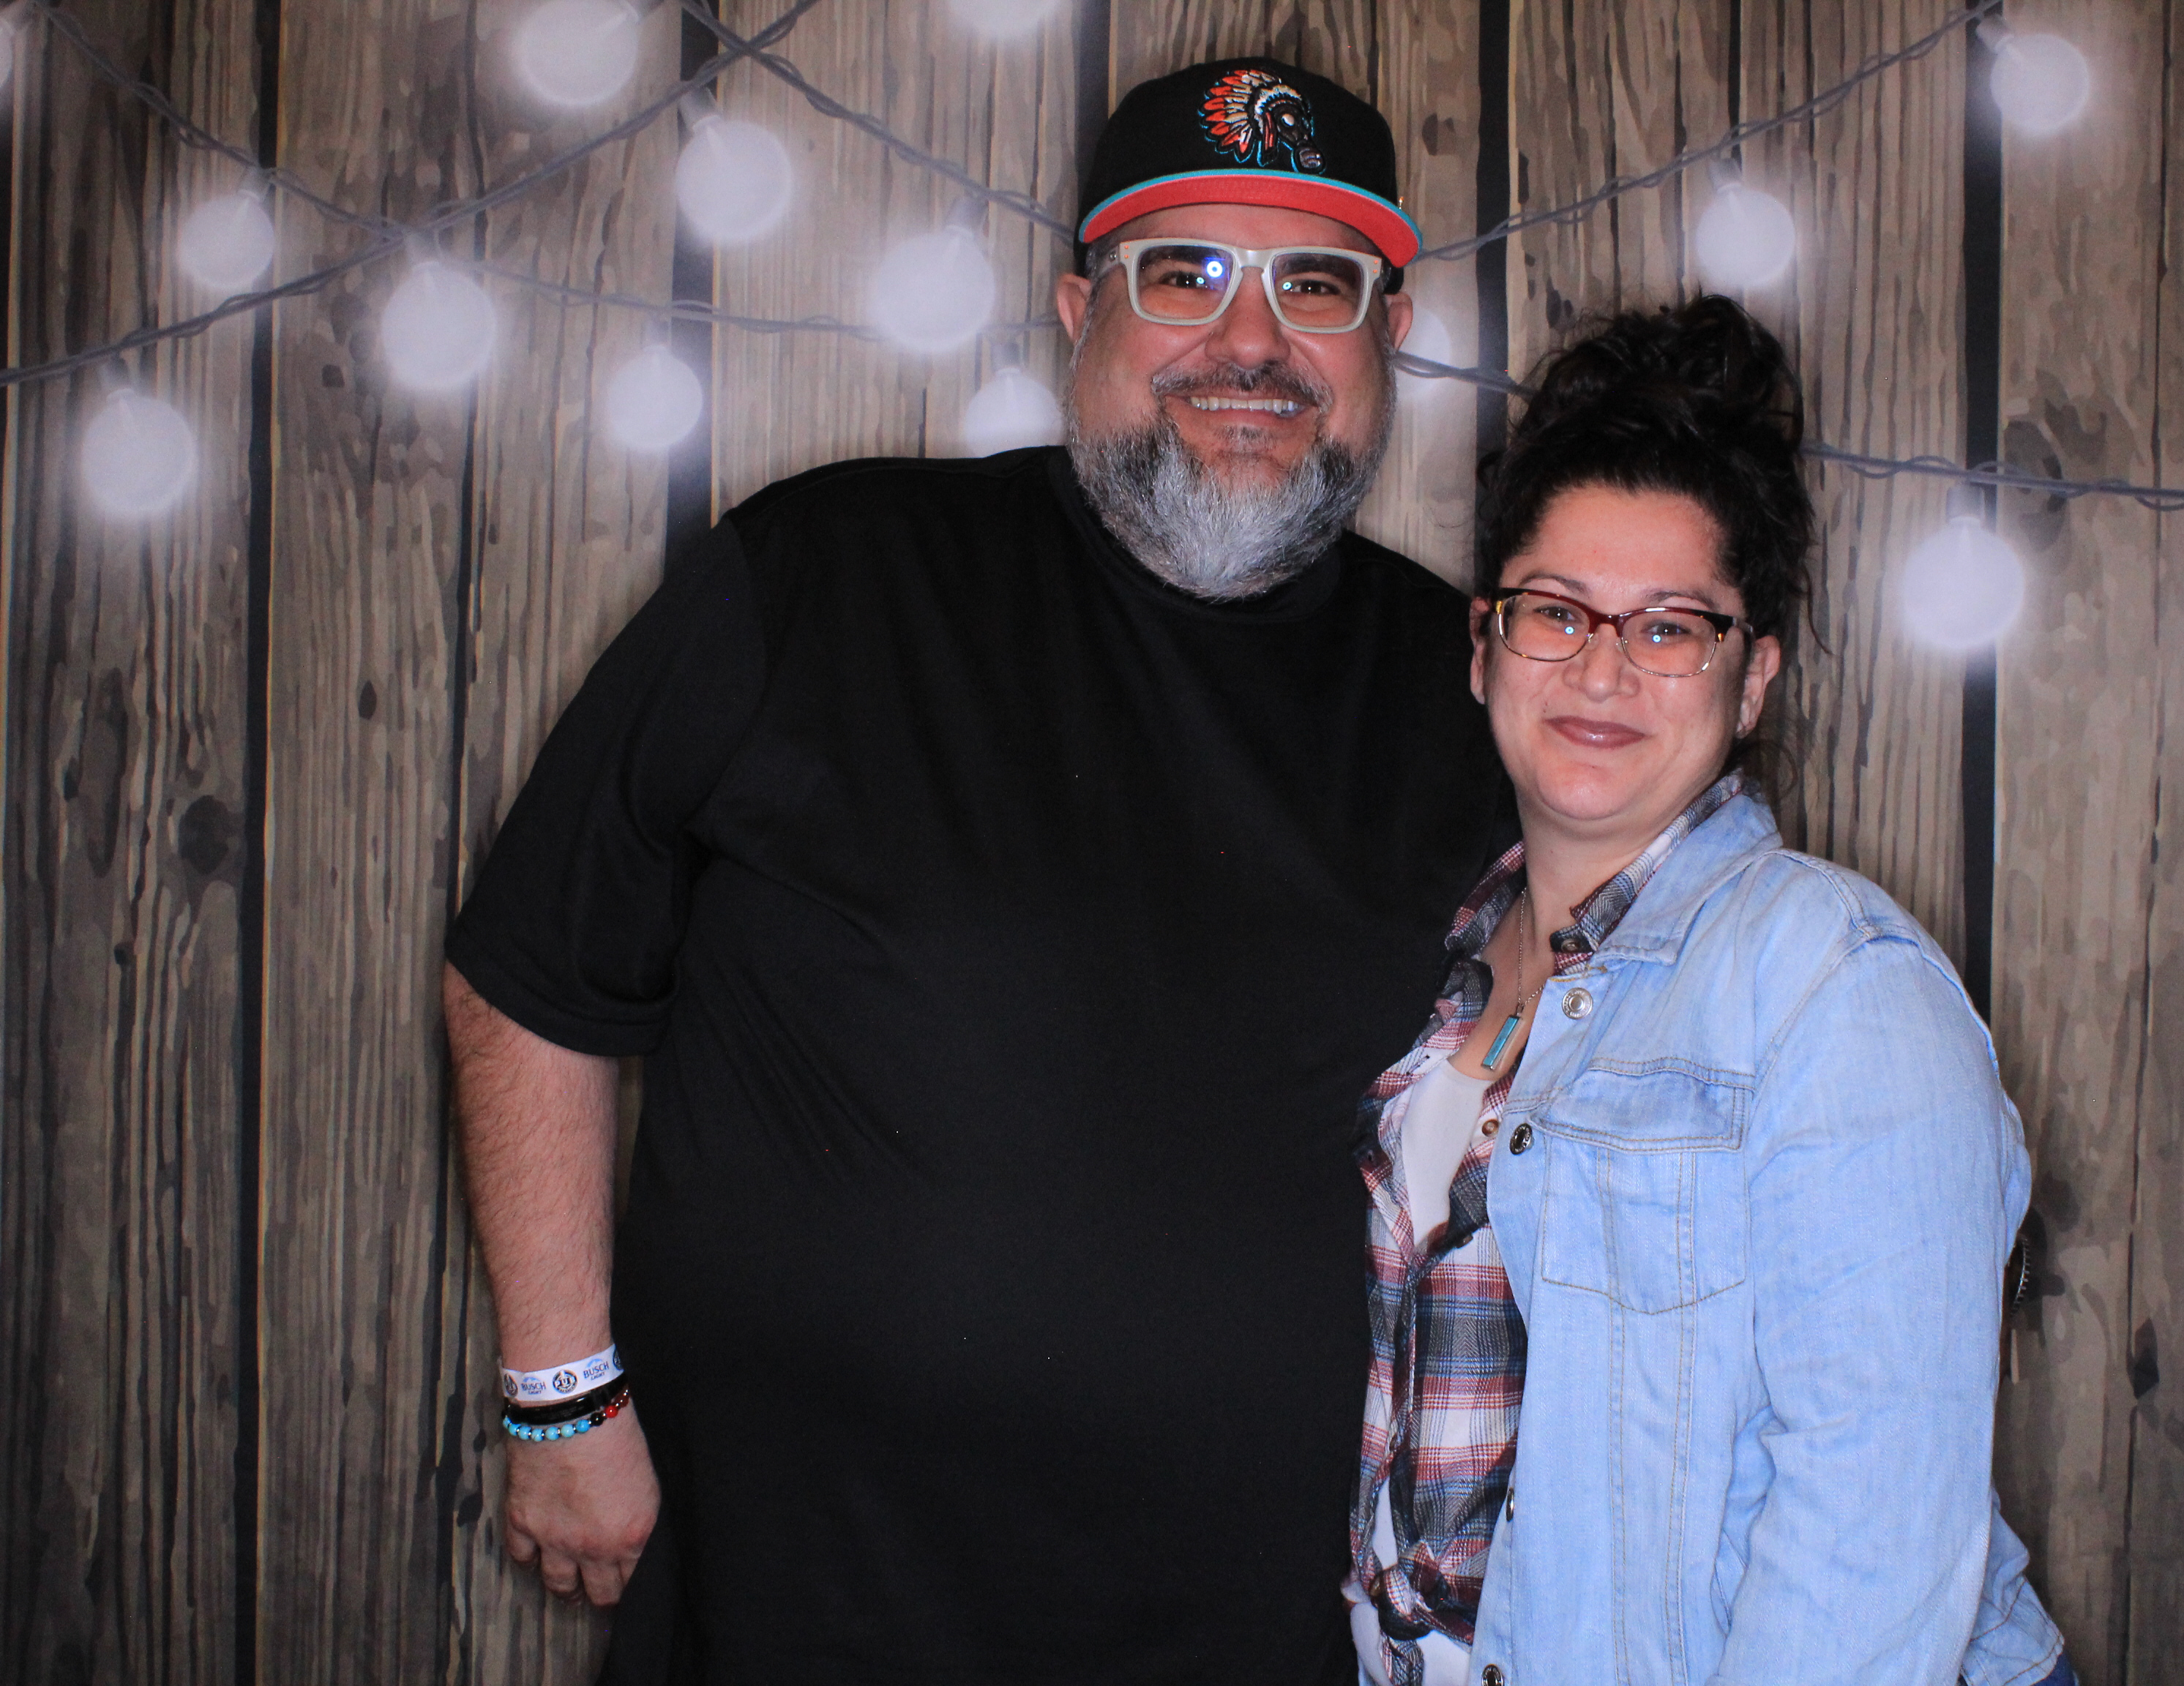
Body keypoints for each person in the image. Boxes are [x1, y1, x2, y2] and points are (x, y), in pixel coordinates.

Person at [442, 59, 1509, 1683]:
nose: (1251, 342)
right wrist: (560, 1395)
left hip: (1262, 1636)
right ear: (1080, 311)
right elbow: (529, 981)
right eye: (1183, 274)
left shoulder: (1476, 693)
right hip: (810, 1615)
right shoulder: (818, 578)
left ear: (1390, 334)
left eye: (1315, 284)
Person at [1342, 300, 2072, 1686]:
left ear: (1752, 681)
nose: (1602, 668)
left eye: (1672, 628)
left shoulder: (1838, 988)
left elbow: (1869, 1554)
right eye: (1558, 612)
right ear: (1486, 646)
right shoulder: (1442, 965)